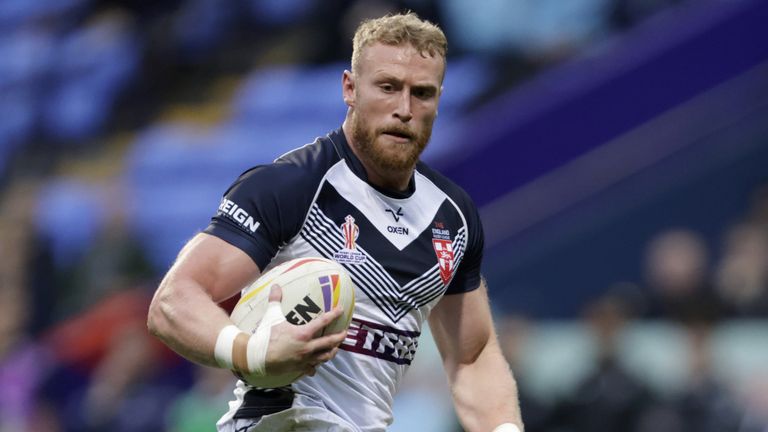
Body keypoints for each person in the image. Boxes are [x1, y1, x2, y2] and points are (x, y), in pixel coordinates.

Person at [147, 12, 523, 432]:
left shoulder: (452, 217)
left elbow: (470, 355)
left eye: (422, 93)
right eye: (387, 87)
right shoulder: (291, 185)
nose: (404, 109)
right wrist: (252, 352)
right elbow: (173, 301)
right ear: (350, 88)